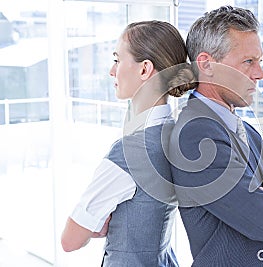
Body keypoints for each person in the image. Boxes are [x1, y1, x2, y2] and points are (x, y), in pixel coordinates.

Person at [169, 6, 263, 266]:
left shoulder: (243, 128)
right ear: (206, 64)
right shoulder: (196, 138)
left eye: (260, 61)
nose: (260, 74)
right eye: (248, 62)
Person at [61, 20, 196, 266]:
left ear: (144, 69)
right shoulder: (176, 135)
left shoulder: (129, 153)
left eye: (117, 59)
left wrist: (96, 227)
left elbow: (70, 240)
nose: (112, 71)